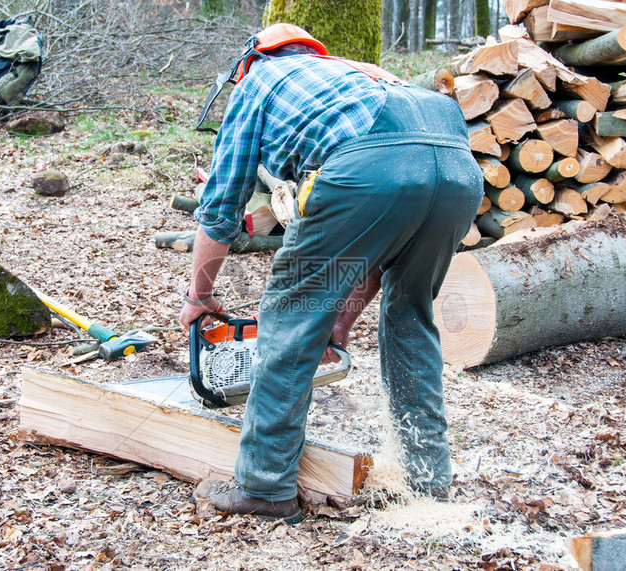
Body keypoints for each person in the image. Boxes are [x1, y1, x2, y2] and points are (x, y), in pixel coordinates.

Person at [179, 23, 484, 524]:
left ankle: (264, 486)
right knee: (411, 315)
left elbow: (219, 210)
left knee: (289, 319)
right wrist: (339, 321)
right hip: (458, 170)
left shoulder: (261, 81)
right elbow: (378, 240)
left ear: (251, 60)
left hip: (372, 167)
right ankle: (427, 481)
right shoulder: (355, 76)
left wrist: (200, 296)